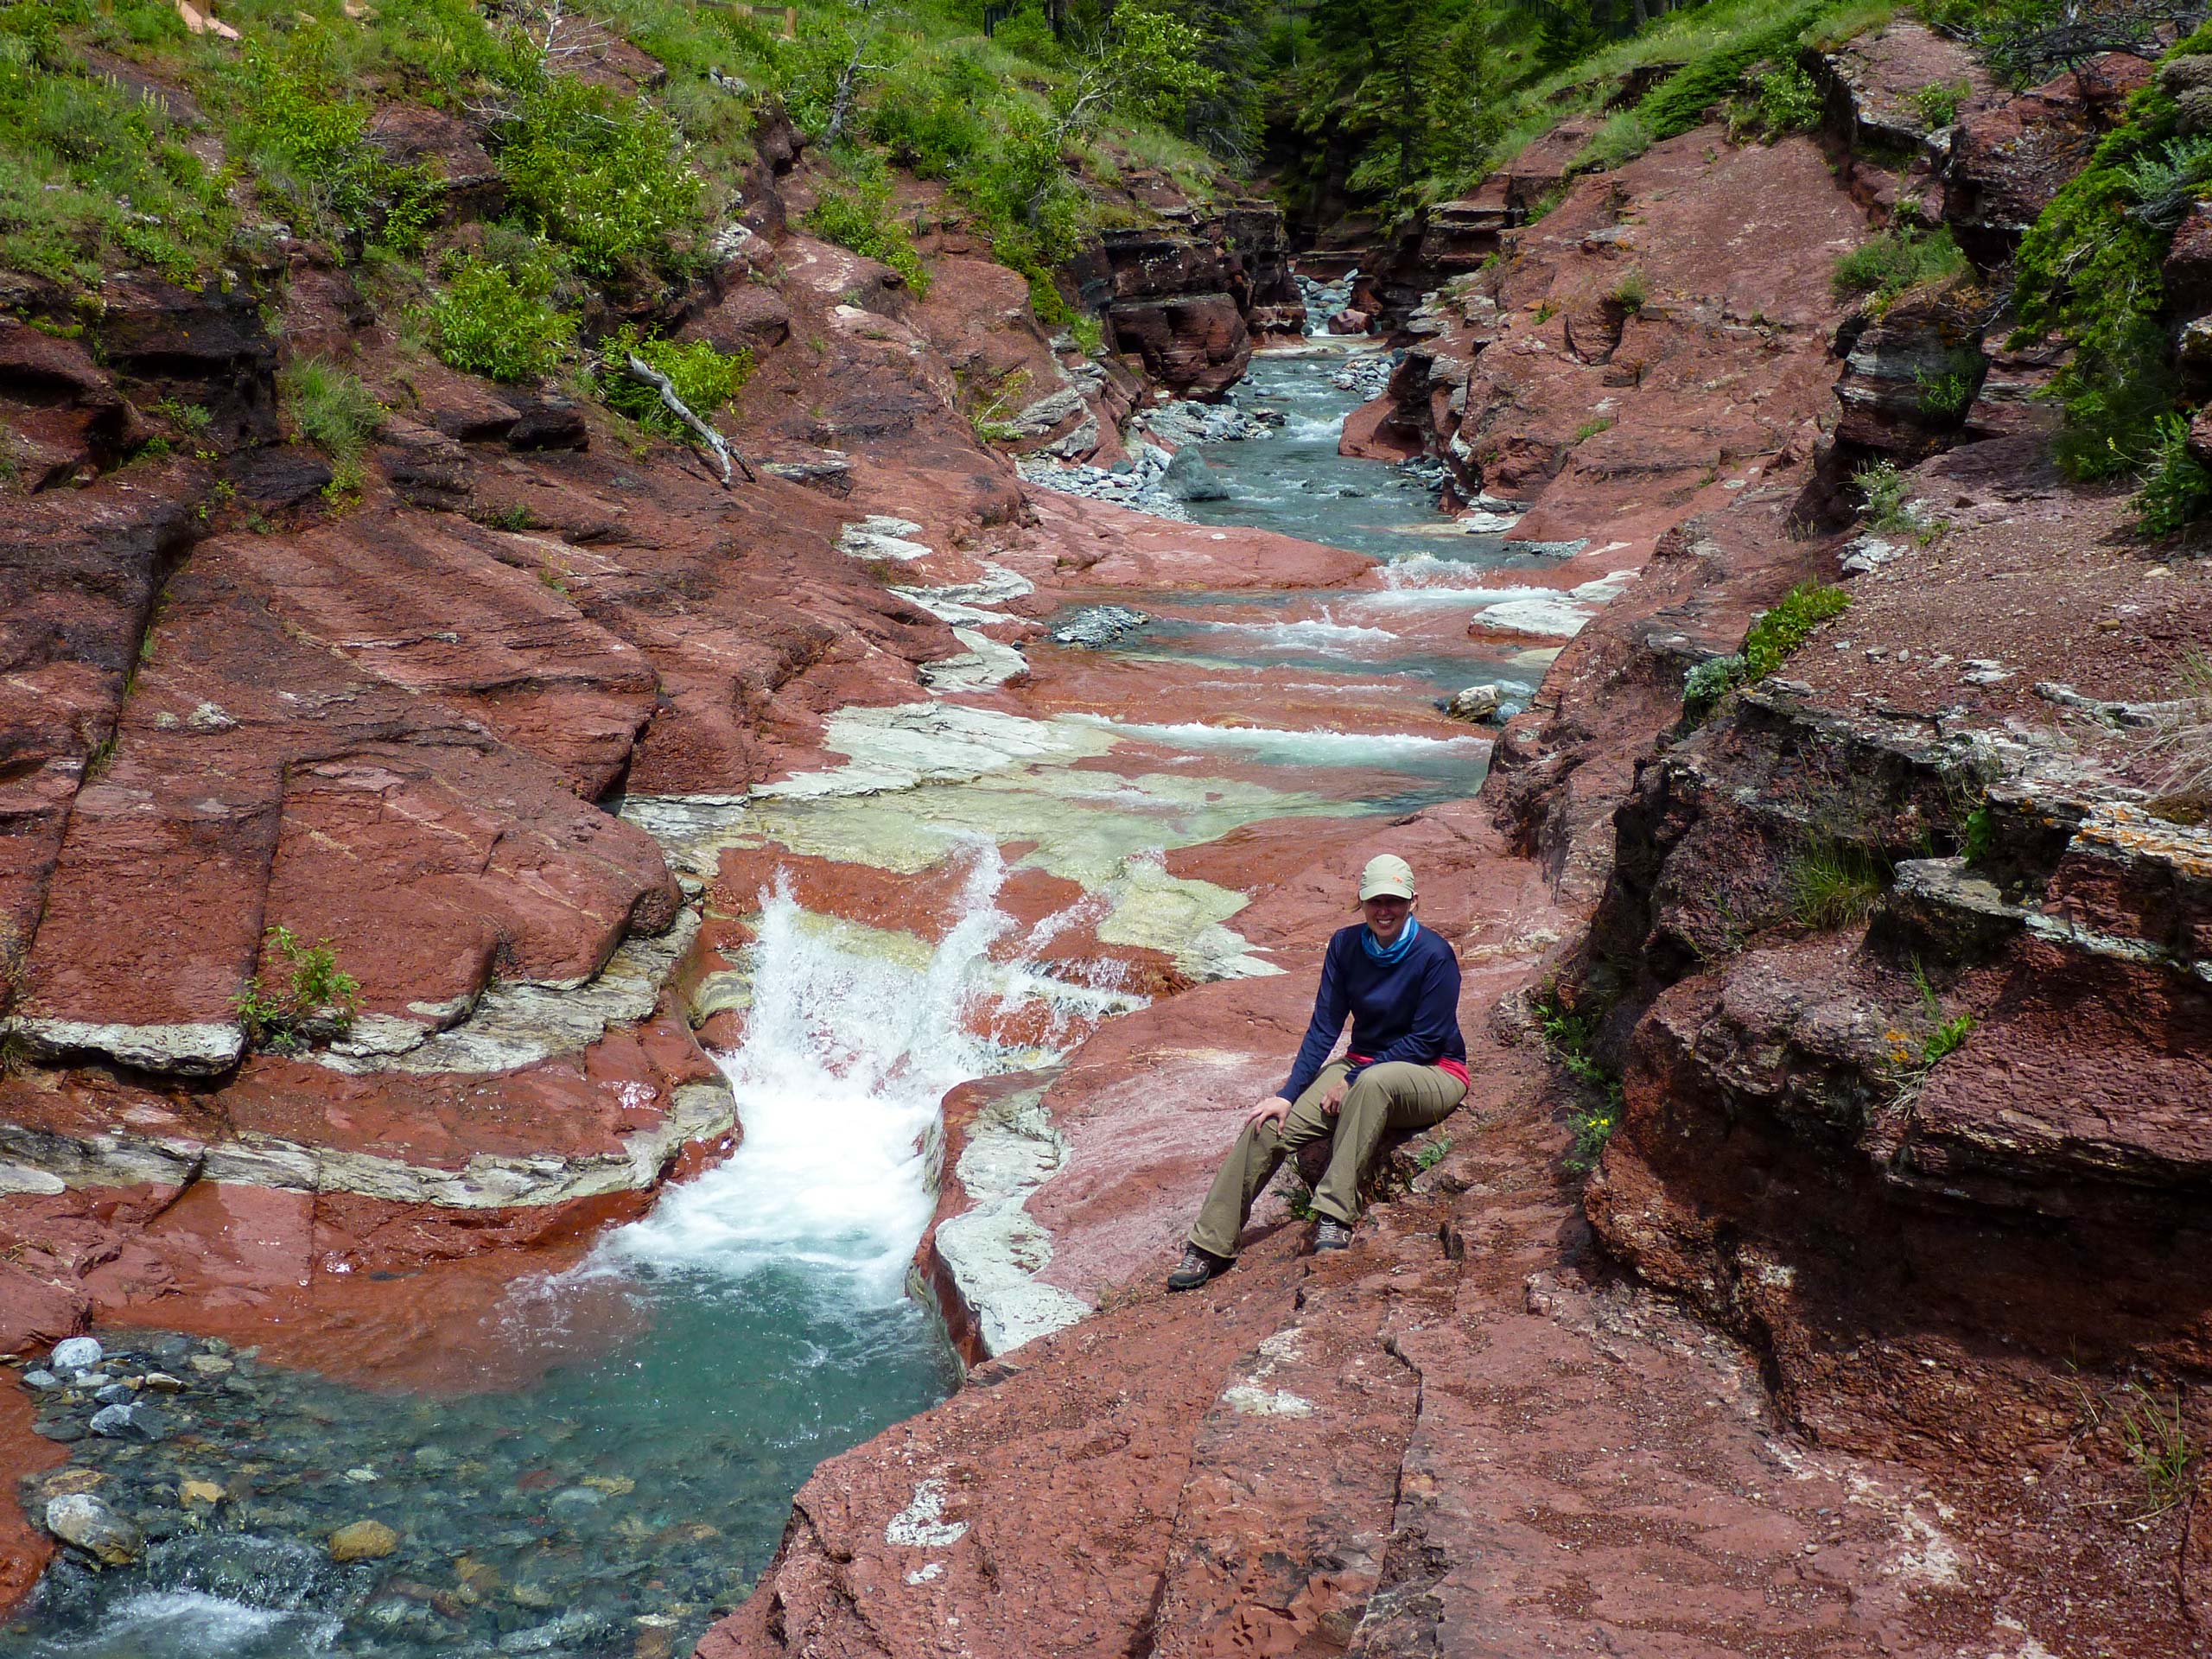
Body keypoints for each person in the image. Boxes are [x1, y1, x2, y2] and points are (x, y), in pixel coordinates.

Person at [1168, 853, 1468, 1291]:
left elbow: (1427, 1039)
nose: (1385, 911)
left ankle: (1333, 1215)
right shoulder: (1345, 947)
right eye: (1375, 901)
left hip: (1433, 1071)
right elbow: (1325, 1026)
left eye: (1395, 901)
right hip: (1363, 1066)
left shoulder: (1435, 955)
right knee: (1267, 1125)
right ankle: (1209, 1244)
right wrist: (1289, 1094)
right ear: (1361, 902)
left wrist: (1347, 1081)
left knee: (1371, 1082)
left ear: (1413, 902)